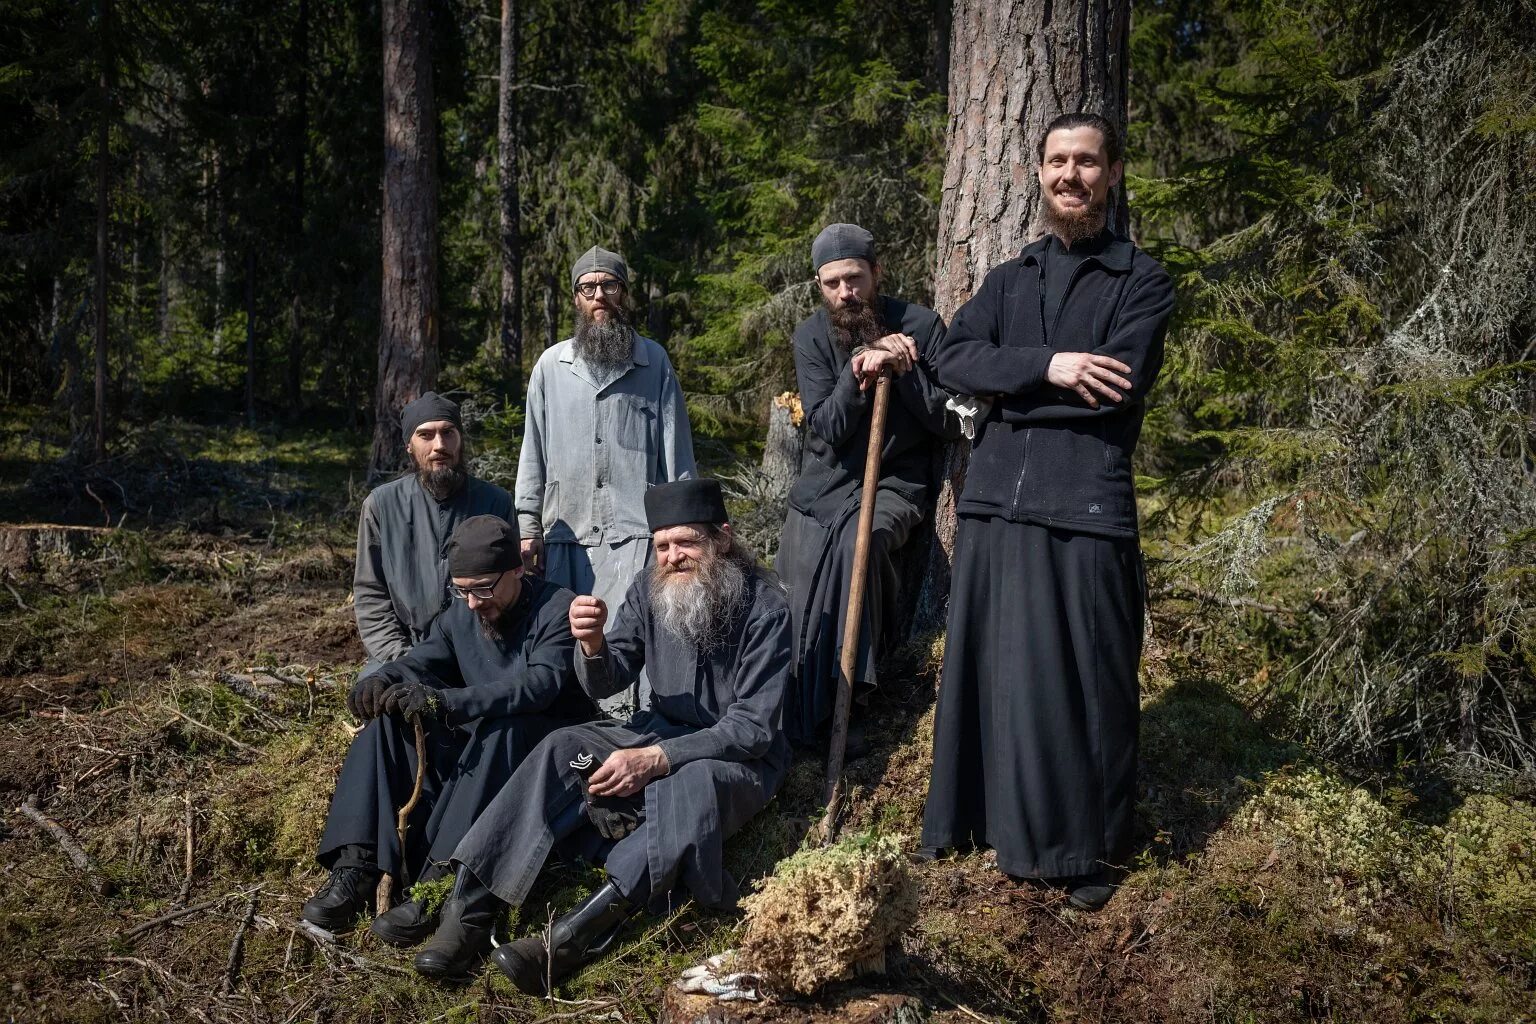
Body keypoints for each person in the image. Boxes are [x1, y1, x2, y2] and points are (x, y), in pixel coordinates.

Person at [920, 112, 1176, 911]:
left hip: (1087, 504)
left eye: (1088, 162)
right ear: (1038, 172)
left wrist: (1009, 391)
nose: (1072, 175)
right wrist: (1052, 367)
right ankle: (981, 823)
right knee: (992, 674)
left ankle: (1088, 853)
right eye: (1058, 160)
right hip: (997, 503)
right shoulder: (1010, 278)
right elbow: (952, 356)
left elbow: (1118, 389)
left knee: (1091, 678)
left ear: (1114, 174)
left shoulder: (1141, 279)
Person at [408, 479, 791, 987]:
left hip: (736, 759)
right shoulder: (648, 588)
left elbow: (753, 726)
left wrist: (656, 760)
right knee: (566, 748)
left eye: (687, 542)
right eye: (662, 545)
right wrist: (590, 645)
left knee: (687, 789)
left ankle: (573, 936)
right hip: (651, 733)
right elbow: (610, 678)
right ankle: (469, 908)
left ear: (721, 538)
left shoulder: (767, 608)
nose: (673, 556)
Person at [302, 516, 594, 941]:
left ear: (517, 569)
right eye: (462, 589)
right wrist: (383, 679)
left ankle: (436, 885)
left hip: (542, 751)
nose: (473, 602)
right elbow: (422, 661)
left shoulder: (556, 609)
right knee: (385, 725)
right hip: (480, 744)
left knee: (503, 729)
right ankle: (358, 866)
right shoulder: (462, 614)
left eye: (483, 588)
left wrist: (447, 702)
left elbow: (537, 688)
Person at [775, 223, 960, 749]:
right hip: (825, 486)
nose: (845, 293)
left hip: (895, 485)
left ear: (876, 273)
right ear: (820, 285)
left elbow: (948, 421)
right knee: (795, 589)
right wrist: (858, 371)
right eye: (832, 283)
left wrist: (906, 369)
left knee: (866, 540)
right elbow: (828, 429)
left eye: (854, 278)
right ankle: (796, 713)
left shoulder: (921, 325)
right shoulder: (812, 336)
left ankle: (853, 696)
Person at [515, 245, 697, 715]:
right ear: (576, 299)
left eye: (609, 286)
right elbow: (532, 454)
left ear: (624, 294)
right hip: (564, 538)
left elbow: (677, 460)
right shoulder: (550, 368)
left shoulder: (653, 363)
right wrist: (527, 527)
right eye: (588, 287)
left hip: (636, 539)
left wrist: (685, 528)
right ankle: (564, 745)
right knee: (561, 649)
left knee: (625, 649)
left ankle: (629, 743)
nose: (599, 295)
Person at [354, 392, 512, 672]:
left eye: (448, 433)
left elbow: (511, 586)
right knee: (378, 701)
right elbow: (371, 594)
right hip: (402, 651)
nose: (440, 445)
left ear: (460, 439)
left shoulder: (495, 502)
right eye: (426, 435)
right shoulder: (381, 506)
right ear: (409, 446)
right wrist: (404, 659)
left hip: (482, 652)